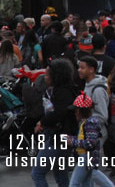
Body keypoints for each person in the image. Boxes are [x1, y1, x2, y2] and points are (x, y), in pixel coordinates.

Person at [31, 59, 78, 187]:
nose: (45, 78)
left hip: (58, 137)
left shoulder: (62, 92)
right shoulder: (69, 89)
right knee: (60, 174)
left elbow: (58, 114)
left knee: (37, 173)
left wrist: (42, 122)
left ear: (56, 76)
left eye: (47, 75)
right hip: (64, 137)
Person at [65, 92, 103, 187]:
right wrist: (72, 138)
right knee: (86, 183)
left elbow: (90, 143)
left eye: (76, 110)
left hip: (86, 157)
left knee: (74, 183)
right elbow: (85, 139)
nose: (75, 113)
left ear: (81, 111)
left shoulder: (90, 123)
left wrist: (72, 142)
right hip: (86, 157)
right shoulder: (86, 122)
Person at [78, 56, 109, 147]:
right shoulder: (88, 85)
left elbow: (102, 115)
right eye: (79, 67)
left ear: (91, 69)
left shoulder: (98, 90)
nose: (79, 70)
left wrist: (86, 122)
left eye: (82, 68)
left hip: (95, 133)